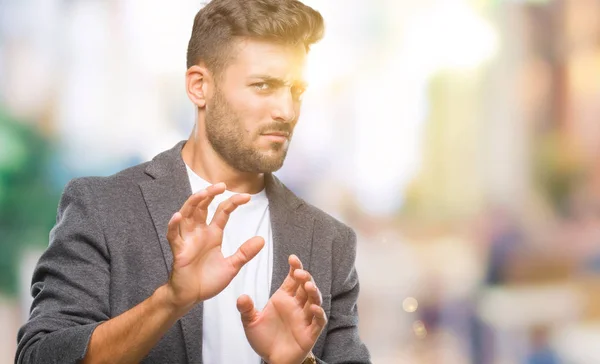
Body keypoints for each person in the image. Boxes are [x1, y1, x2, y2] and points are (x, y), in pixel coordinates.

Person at [16, 0, 371, 363]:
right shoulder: (102, 208)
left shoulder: (330, 242)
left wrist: (300, 362)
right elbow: (40, 356)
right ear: (200, 86)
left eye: (296, 91)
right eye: (264, 86)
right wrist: (171, 299)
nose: (287, 110)